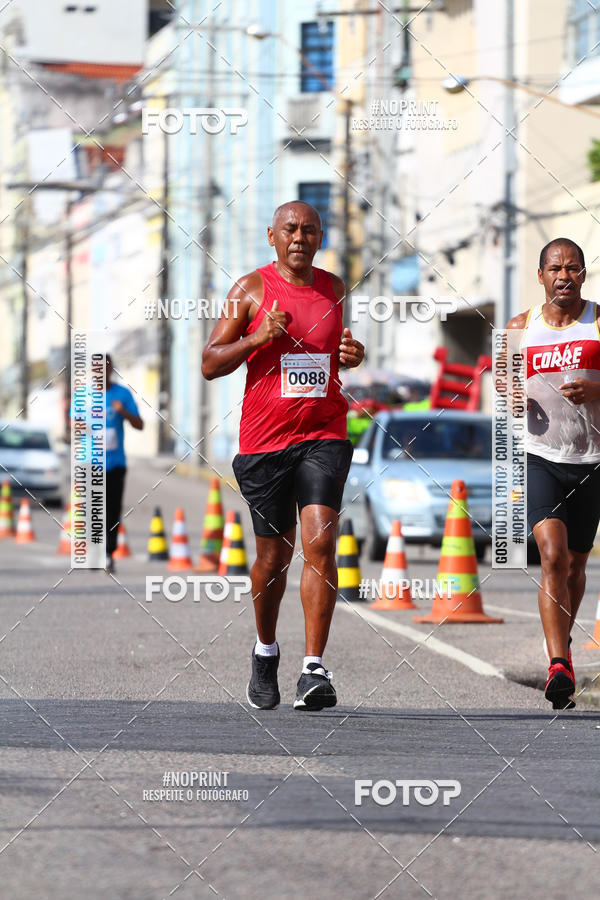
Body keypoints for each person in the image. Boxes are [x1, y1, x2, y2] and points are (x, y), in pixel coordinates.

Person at [202, 200, 364, 711]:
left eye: (310, 230)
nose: (299, 237)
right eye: (290, 229)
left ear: (321, 237)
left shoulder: (335, 288)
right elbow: (209, 363)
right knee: (274, 557)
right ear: (271, 236)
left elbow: (339, 350)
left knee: (320, 539)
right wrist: (258, 337)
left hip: (324, 431)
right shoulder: (248, 290)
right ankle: (265, 649)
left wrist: (353, 355)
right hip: (265, 442)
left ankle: (313, 668)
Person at [507, 237, 600, 709]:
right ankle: (559, 662)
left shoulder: (598, 320)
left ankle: (559, 651)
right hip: (539, 456)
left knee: (577, 564)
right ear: (541, 275)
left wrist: (593, 387)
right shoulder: (520, 327)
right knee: (552, 555)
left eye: (573, 268)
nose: (564, 276)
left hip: (592, 460)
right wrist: (512, 397)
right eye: (555, 268)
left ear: (583, 274)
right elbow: (504, 382)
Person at [104, 354, 144, 573]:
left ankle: (109, 553)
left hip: (115, 463)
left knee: (112, 510)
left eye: (106, 368)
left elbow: (140, 424)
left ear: (111, 369)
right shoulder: (84, 396)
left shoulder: (122, 394)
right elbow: (72, 425)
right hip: (89, 463)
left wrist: (124, 412)